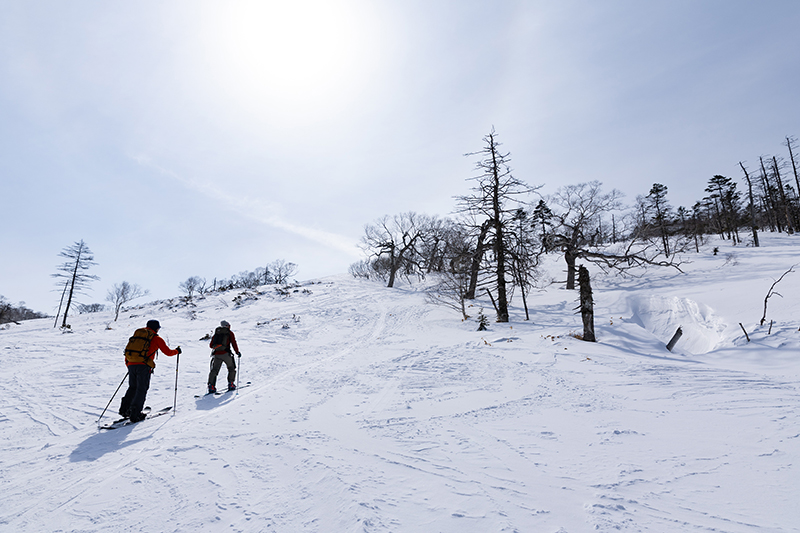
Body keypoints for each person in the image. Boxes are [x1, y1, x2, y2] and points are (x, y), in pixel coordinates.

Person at [119, 319, 181, 422]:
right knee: (141, 389)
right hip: (144, 366)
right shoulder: (156, 338)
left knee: (132, 387)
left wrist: (129, 365)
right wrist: (177, 351)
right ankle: (135, 414)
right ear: (156, 328)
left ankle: (125, 410)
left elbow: (128, 351)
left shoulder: (137, 336)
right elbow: (168, 352)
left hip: (131, 364)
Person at [207, 320, 241, 393]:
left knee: (214, 370)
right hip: (226, 354)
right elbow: (233, 343)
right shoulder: (229, 333)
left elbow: (211, 345)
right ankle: (231, 384)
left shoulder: (217, 333)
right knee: (231, 368)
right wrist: (237, 352)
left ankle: (211, 386)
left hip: (216, 355)